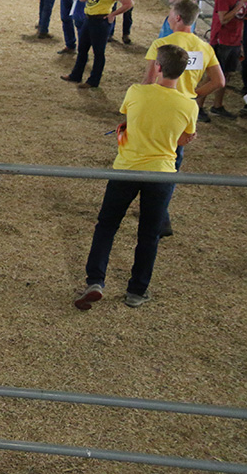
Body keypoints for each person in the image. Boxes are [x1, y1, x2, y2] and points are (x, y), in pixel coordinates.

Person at [73, 44, 197, 311]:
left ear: (158, 67)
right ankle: (136, 291)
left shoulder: (136, 91)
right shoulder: (189, 105)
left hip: (126, 169)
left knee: (106, 225)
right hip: (162, 174)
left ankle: (95, 280)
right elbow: (183, 139)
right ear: (183, 72)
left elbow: (131, 118)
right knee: (149, 234)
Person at [144, 0, 222, 236]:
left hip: (159, 105)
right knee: (173, 159)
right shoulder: (204, 47)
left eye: (170, 13)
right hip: (184, 109)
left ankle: (157, 214)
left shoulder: (162, 44)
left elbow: (148, 81)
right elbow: (219, 81)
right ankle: (161, 211)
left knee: (150, 155)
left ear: (177, 17)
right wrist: (194, 95)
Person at [61, 0, 133, 88]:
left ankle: (93, 80)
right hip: (88, 19)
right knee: (82, 49)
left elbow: (128, 3)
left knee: (98, 52)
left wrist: (113, 14)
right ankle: (76, 75)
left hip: (101, 21)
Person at [197, 0, 247, 119]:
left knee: (226, 75)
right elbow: (223, 19)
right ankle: (198, 106)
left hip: (234, 40)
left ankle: (217, 105)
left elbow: (239, 21)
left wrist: (240, 42)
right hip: (221, 40)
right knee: (213, 76)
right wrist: (241, 3)